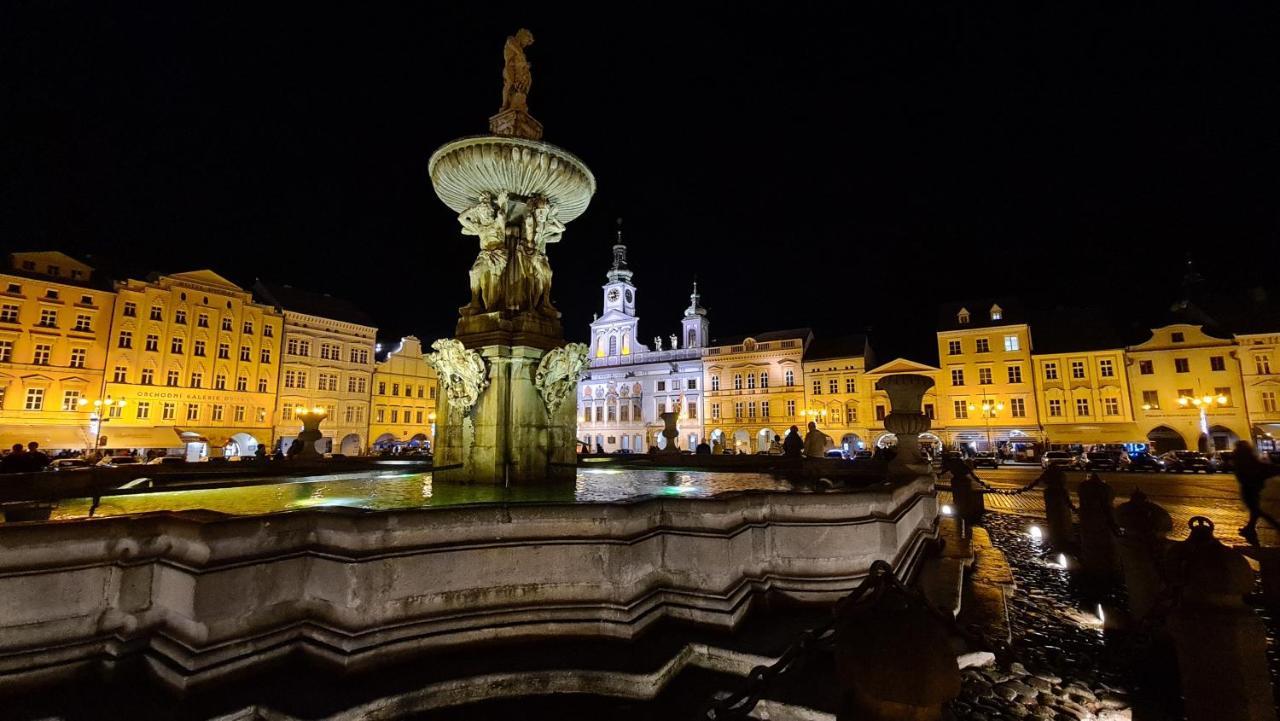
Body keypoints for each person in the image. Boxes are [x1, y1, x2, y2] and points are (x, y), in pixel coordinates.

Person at [1235, 440, 1280, 545]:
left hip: (1249, 487)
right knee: (1254, 510)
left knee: (1256, 510)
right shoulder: (1247, 457)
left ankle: (1276, 526)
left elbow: (1253, 470)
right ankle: (1249, 527)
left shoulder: (1241, 458)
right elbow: (1261, 467)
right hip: (1254, 487)